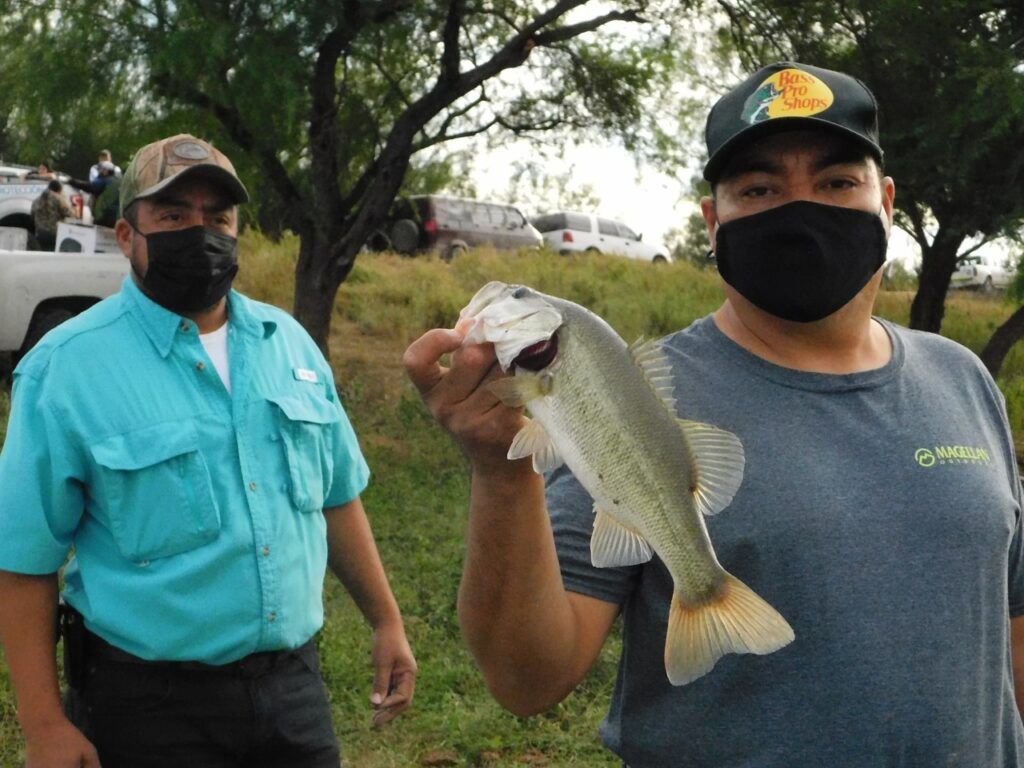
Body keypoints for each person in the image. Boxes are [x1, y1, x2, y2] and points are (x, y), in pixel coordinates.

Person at [404, 61, 1024, 766]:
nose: (800, 209)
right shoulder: (631, 396)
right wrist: (500, 470)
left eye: (836, 182)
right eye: (759, 188)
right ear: (712, 221)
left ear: (884, 201)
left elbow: (1010, 617)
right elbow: (526, 678)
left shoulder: (964, 376)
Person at [0, 133, 417, 768]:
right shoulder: (66, 370)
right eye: (171, 216)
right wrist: (43, 725)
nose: (201, 233)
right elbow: (25, 559)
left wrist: (386, 620)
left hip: (293, 692)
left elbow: (336, 498)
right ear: (125, 236)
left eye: (217, 217)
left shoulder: (291, 347)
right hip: (147, 707)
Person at [30, 179, 74, 251]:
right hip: (54, 233)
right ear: (59, 189)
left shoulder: (36, 200)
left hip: (40, 233)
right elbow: (69, 214)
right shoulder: (58, 198)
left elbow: (32, 217)